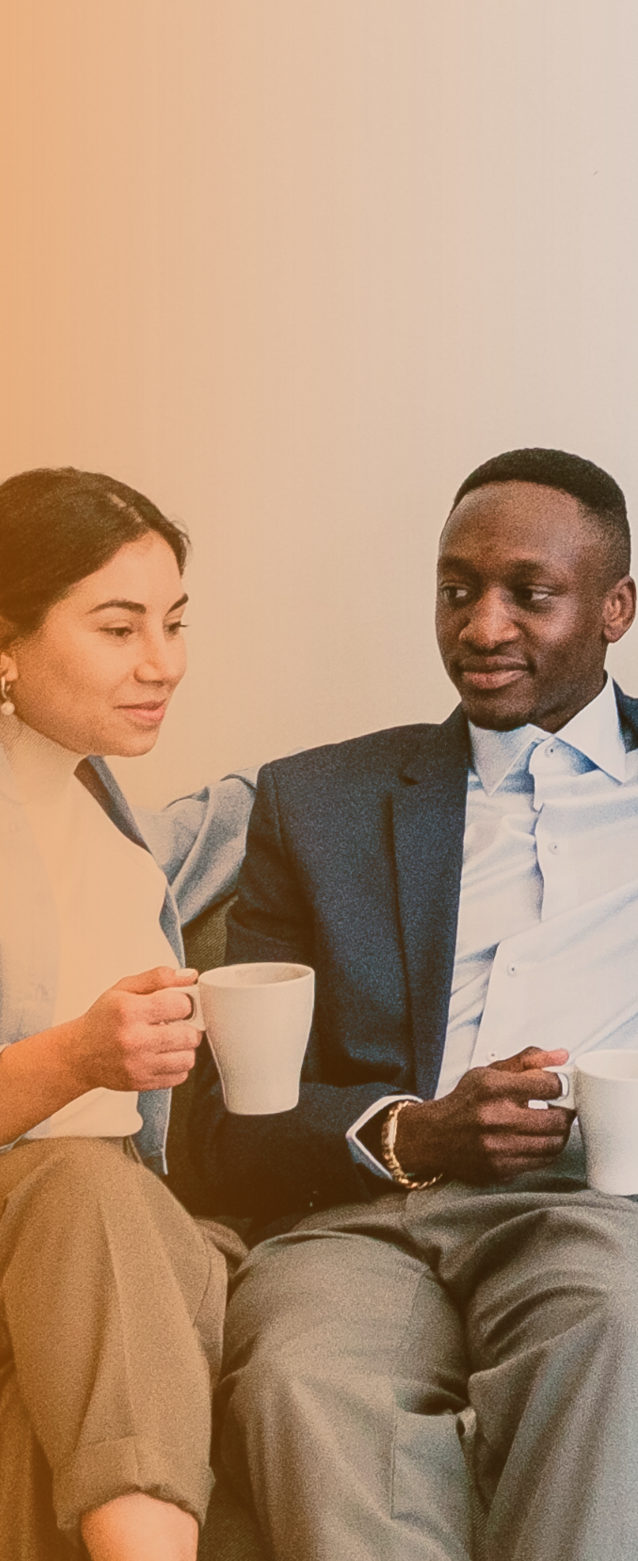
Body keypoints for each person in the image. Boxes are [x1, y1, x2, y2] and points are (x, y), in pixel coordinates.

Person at [181, 448, 638, 1561]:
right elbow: (221, 1125)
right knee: (296, 1375)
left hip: (607, 1202)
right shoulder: (316, 802)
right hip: (367, 1218)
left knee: (608, 1338)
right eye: (457, 587)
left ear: (615, 608)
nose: (481, 627)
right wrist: (409, 1129)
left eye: (531, 592)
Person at [0, 468, 255, 1561]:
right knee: (82, 1194)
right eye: (118, 627)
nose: (163, 663)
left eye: (173, 623)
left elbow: (262, 804)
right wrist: (76, 1058)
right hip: (53, 1213)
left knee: (118, 1245)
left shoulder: (118, 821)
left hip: (132, 1242)